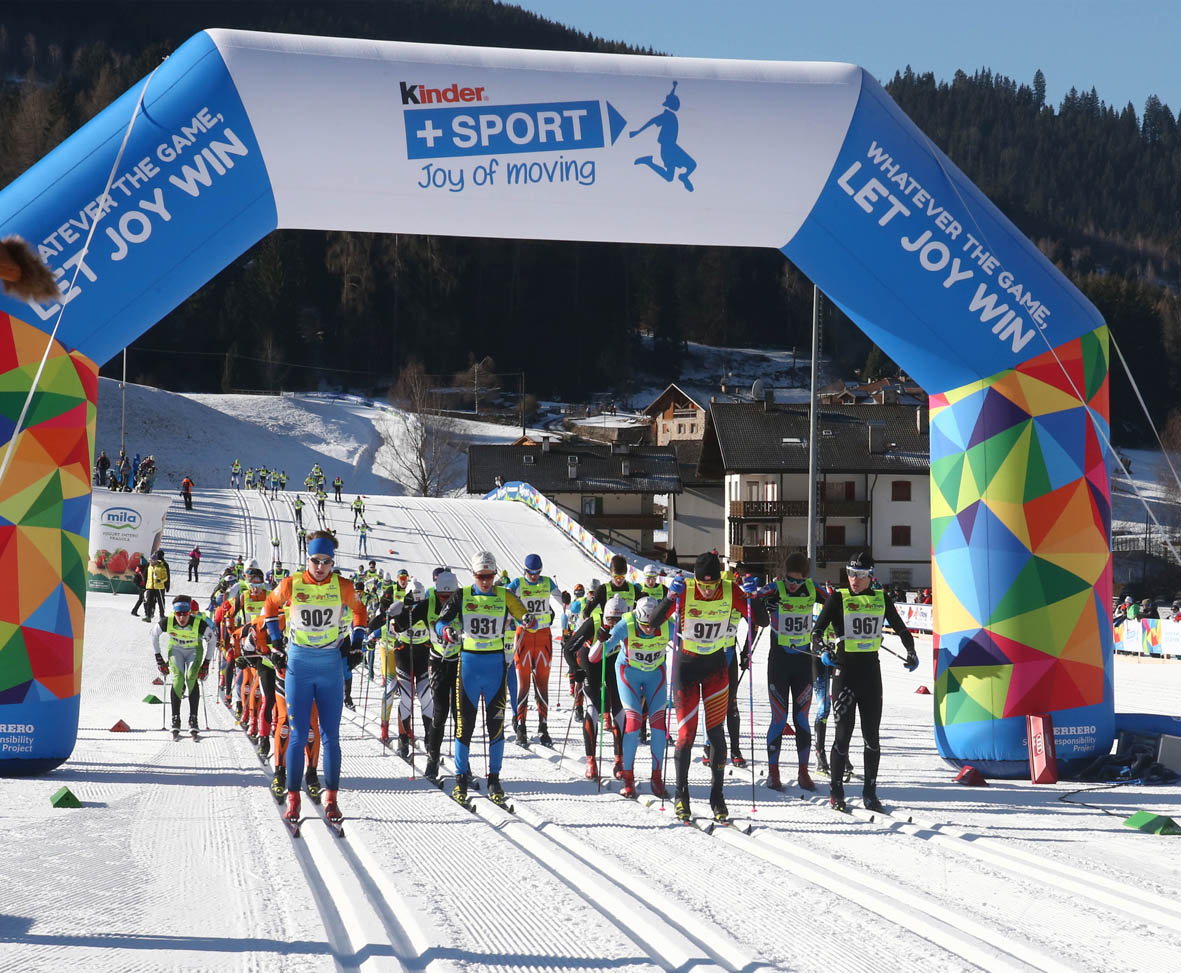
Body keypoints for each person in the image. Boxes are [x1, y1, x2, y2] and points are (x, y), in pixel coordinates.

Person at [652, 551, 769, 823]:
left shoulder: (730, 590)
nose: (707, 590)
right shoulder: (685, 591)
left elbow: (761, 622)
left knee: (716, 733)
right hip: (687, 670)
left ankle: (717, 796)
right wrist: (669, 596)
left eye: (712, 585)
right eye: (703, 585)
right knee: (686, 735)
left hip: (716, 668)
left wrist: (753, 598)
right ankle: (682, 796)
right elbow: (654, 622)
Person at [264, 531, 368, 826]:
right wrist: (274, 641)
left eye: (326, 561)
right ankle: (293, 800)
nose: (320, 566)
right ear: (307, 559)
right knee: (297, 735)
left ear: (333, 562)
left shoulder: (343, 585)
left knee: (330, 736)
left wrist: (357, 641)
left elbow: (361, 612)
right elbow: (270, 607)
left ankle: (331, 800)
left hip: (330, 665)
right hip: (299, 663)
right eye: (315, 560)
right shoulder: (292, 583)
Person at [811, 551, 917, 812]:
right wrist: (824, 650)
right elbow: (816, 631)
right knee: (843, 736)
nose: (853, 580)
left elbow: (901, 628)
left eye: (859, 575)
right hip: (845, 674)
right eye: (849, 573)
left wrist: (911, 651)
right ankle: (836, 791)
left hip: (871, 674)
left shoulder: (881, 599)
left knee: (872, 738)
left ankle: (870, 792)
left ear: (871, 576)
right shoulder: (838, 598)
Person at [434, 551, 535, 807]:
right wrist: (445, 630)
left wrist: (528, 619)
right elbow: (440, 621)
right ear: (474, 575)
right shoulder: (463, 594)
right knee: (463, 727)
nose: (486, 581)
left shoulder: (504, 595)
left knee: (496, 727)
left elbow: (525, 616)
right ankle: (460, 780)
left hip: (495, 668)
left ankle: (494, 779)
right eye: (481, 576)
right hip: (469, 665)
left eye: (489, 576)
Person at [758, 553, 828, 790]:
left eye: (798, 581)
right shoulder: (775, 588)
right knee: (779, 718)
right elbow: (748, 602)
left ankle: (803, 773)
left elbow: (835, 605)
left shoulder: (812, 588)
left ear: (806, 578)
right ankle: (773, 773)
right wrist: (763, 606)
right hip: (779, 661)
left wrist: (822, 633)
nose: (793, 584)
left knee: (801, 719)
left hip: (802, 662)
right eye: (789, 579)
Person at [591, 596, 671, 798]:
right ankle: (628, 777)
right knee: (633, 722)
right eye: (644, 625)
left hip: (656, 674)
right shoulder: (626, 623)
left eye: (653, 625)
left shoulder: (668, 624)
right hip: (629, 673)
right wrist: (601, 639)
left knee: (659, 724)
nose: (649, 629)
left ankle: (656, 776)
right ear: (637, 618)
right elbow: (594, 657)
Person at [506, 554, 565, 747]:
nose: (534, 576)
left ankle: (543, 726)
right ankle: (521, 726)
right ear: (525, 570)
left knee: (542, 683)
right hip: (523, 635)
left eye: (537, 573)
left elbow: (562, 599)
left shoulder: (547, 582)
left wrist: (565, 598)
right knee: (523, 683)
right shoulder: (517, 583)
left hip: (543, 637)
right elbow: (504, 600)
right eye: (531, 573)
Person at [152, 594, 214, 736]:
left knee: (191, 677)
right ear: (174, 613)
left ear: (189, 612)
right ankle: (175, 719)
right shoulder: (167, 622)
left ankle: (193, 719)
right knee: (178, 678)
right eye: (178, 614)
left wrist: (206, 663)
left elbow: (212, 640)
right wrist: (159, 658)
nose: (181, 618)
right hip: (176, 650)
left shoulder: (198, 623)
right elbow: (153, 635)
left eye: (185, 614)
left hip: (194, 651)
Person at [144, 550, 170, 624]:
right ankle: (148, 616)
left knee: (160, 602)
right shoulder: (149, 567)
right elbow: (146, 575)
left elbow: (166, 577)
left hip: (159, 587)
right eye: (150, 560)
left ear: (155, 560)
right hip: (150, 586)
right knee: (149, 602)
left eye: (151, 560)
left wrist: (161, 581)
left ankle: (162, 616)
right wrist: (146, 585)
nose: (150, 562)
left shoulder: (162, 566)